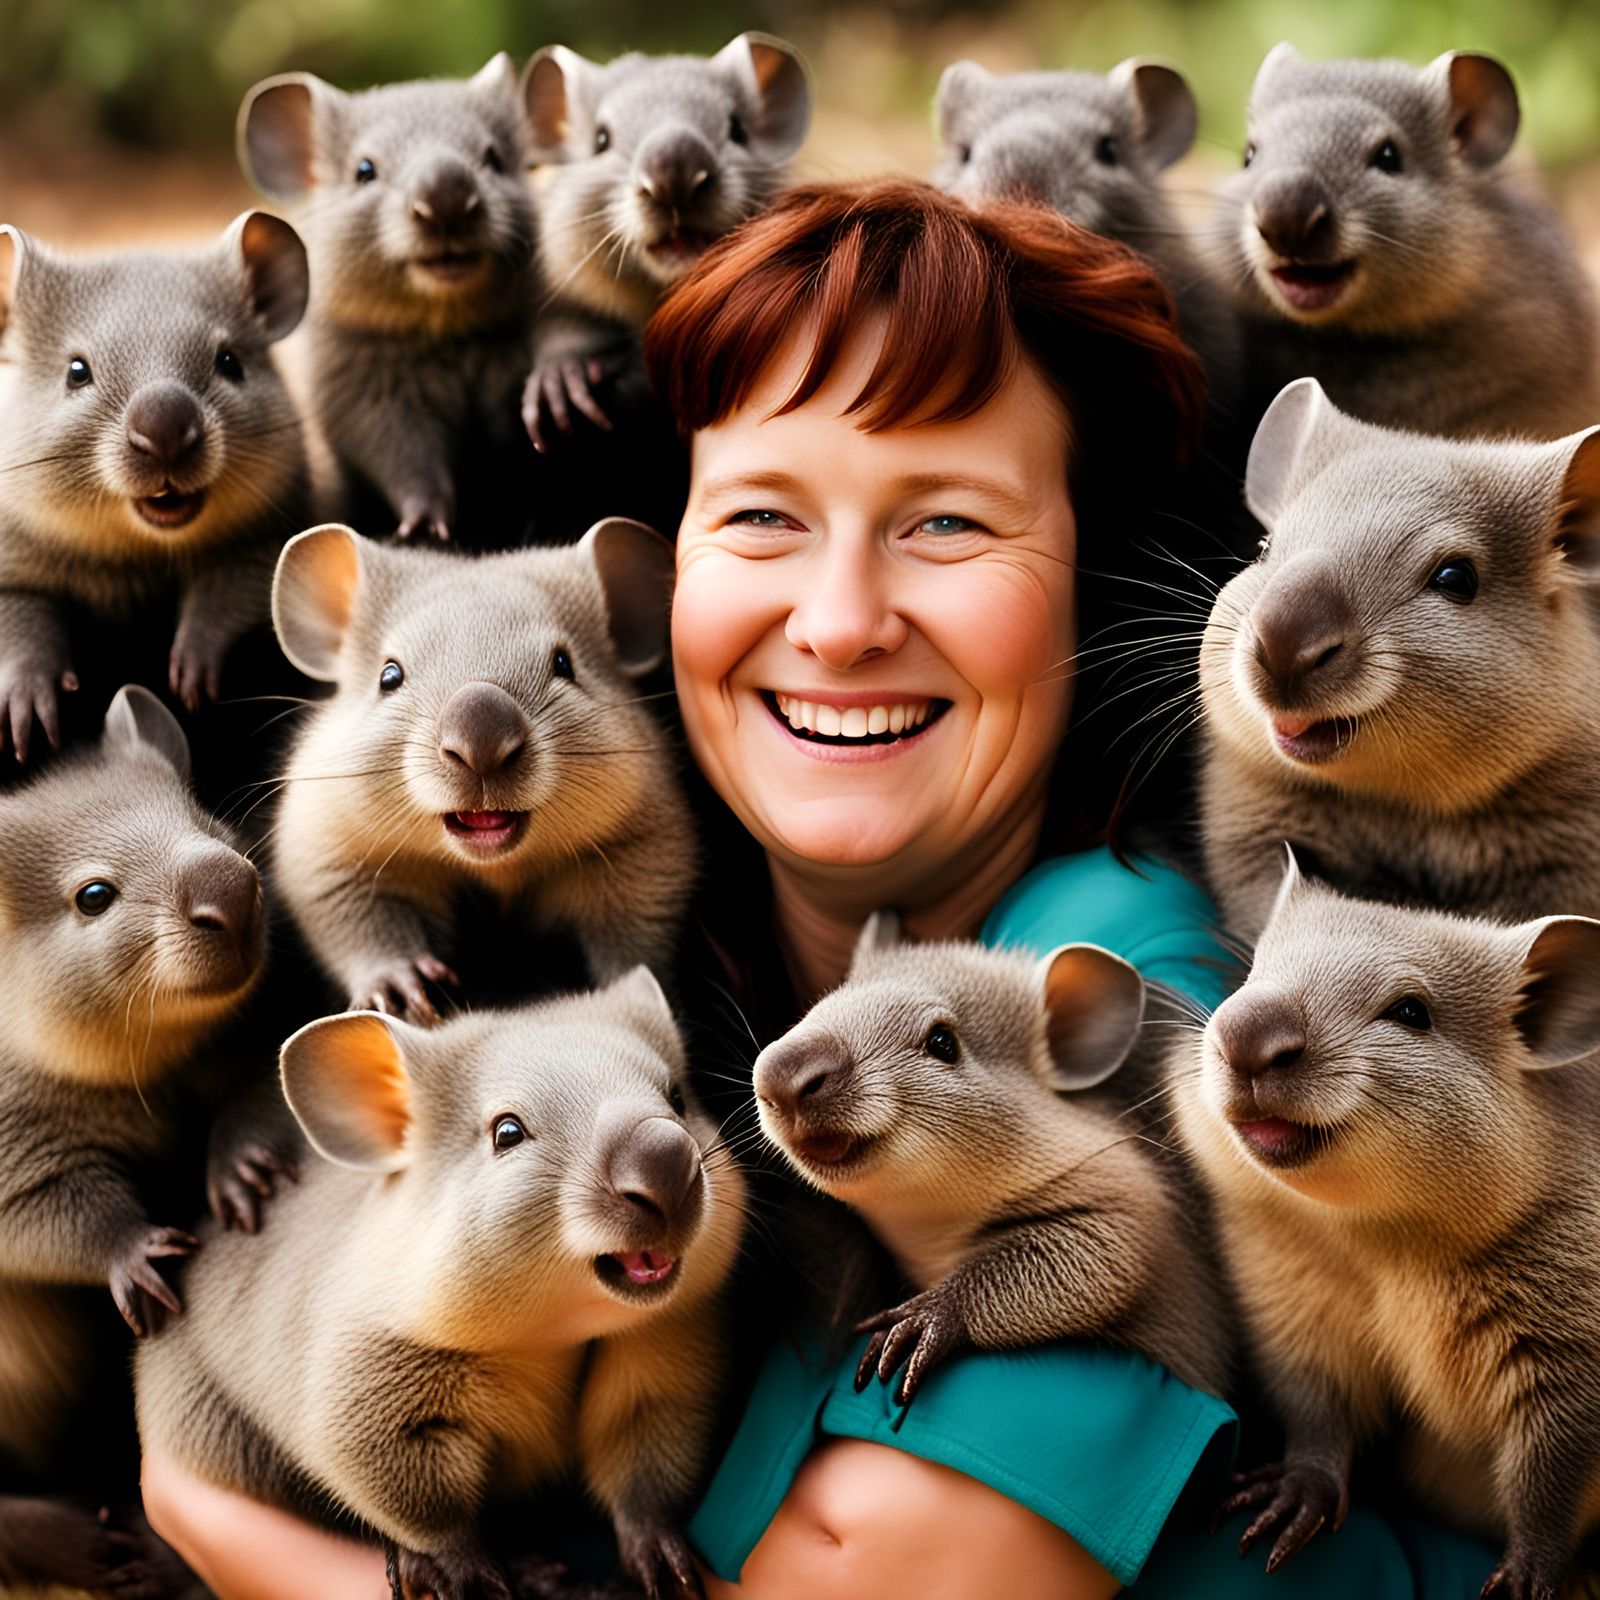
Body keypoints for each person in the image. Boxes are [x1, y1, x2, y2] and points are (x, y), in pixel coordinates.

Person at [142, 180, 1495, 1597]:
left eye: (951, 526)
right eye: (762, 519)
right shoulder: (655, 981)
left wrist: (214, 1516)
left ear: (1090, 585)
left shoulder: (1124, 979)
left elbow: (883, 1573)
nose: (841, 624)